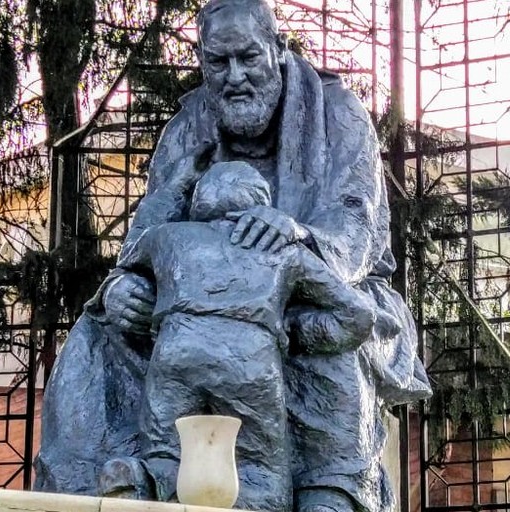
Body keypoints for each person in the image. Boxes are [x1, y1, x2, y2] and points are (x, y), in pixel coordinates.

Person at [34, 0, 432, 510]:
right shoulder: (185, 127)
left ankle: (332, 491)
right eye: (218, 63)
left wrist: (297, 234)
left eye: (249, 58)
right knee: (96, 336)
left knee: (331, 337)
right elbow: (148, 236)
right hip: (194, 307)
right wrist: (124, 289)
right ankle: (113, 489)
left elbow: (355, 227)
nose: (234, 77)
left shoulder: (339, 114)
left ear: (279, 51)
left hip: (321, 285)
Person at [115, 161, 383, 512]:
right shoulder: (285, 250)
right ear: (262, 207)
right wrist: (297, 333)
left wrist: (118, 286)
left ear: (198, 202)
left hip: (175, 354)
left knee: (166, 449)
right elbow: (358, 315)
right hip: (250, 363)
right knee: (262, 467)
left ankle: (145, 480)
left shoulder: (165, 236)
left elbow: (125, 264)